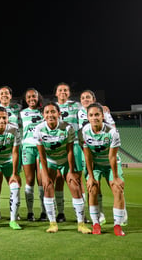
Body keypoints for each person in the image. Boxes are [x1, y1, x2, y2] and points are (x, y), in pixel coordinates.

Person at [35, 102, 91, 234]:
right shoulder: (39, 129)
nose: (50, 115)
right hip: (49, 161)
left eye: (53, 112)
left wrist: (71, 171)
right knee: (48, 186)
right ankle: (53, 223)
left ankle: (81, 224)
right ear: (43, 115)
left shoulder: (67, 128)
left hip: (65, 160)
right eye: (47, 112)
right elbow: (41, 154)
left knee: (75, 187)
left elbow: (70, 151)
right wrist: (46, 175)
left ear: (59, 114)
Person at [78, 90, 128, 226]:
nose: (94, 117)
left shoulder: (112, 131)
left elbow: (112, 156)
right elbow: (87, 154)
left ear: (102, 115)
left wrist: (116, 177)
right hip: (94, 162)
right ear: (87, 117)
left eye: (97, 115)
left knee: (117, 187)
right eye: (91, 115)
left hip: (109, 160)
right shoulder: (83, 128)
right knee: (93, 187)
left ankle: (120, 217)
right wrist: (90, 176)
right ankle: (97, 221)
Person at [53, 82, 85, 223]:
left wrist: (103, 107)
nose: (63, 92)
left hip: (75, 145)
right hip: (59, 147)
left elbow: (89, 109)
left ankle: (82, 214)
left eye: (65, 90)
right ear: (56, 93)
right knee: (59, 179)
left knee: (77, 180)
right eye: (60, 90)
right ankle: (60, 213)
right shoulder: (52, 107)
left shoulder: (77, 106)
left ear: (69, 93)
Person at [0, 85, 22, 220]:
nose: (4, 95)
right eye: (1, 93)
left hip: (12, 148)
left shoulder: (17, 109)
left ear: (11, 95)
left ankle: (15, 212)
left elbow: (21, 126)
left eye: (7, 93)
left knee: (14, 180)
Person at [20, 88, 47, 221]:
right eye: (29, 97)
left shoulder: (44, 112)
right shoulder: (22, 113)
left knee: (42, 181)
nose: (31, 99)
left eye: (34, 96)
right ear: (26, 99)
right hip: (27, 148)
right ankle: (30, 212)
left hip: (41, 147)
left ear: (38, 97)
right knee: (29, 180)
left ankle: (43, 211)